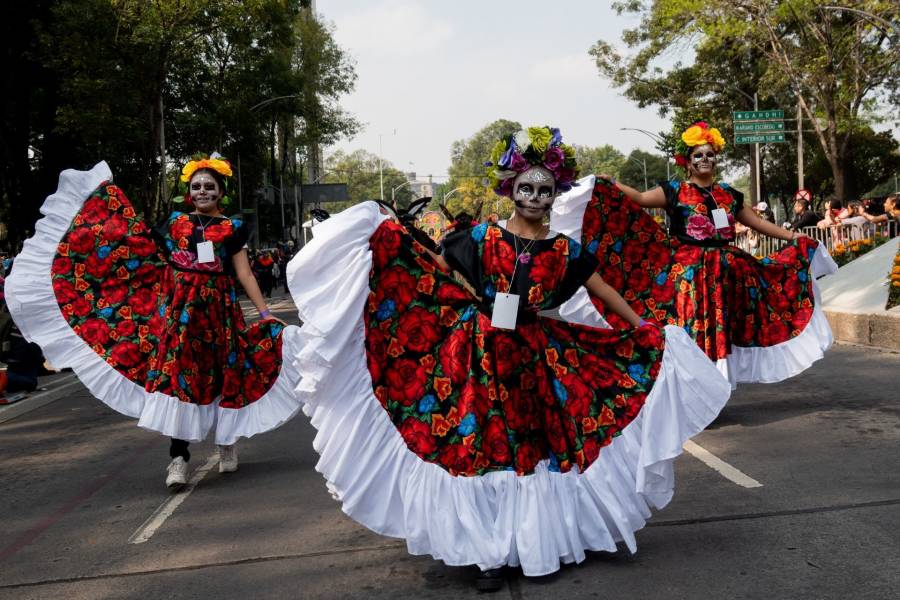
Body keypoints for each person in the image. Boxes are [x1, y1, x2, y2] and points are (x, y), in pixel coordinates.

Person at [286, 126, 731, 591]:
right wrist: (389, 239)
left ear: (554, 193)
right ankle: (488, 555)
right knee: (481, 448)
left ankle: (530, 542)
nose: (534, 197)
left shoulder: (564, 250)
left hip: (534, 357)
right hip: (476, 356)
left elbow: (604, 291)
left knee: (530, 449)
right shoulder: (479, 238)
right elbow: (431, 268)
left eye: (543, 190)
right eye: (526, 189)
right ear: (510, 189)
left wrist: (643, 329)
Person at [5, 157, 302, 490]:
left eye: (209, 187)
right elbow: (143, 251)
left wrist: (264, 313)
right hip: (180, 316)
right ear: (189, 192)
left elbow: (244, 272)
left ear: (221, 193)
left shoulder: (233, 229)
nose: (202, 191)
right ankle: (178, 459)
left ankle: (226, 444)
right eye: (196, 186)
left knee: (224, 375)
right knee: (177, 382)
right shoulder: (174, 223)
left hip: (219, 314)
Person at [550, 121, 837, 387]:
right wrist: (611, 183)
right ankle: (692, 387)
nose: (705, 160)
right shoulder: (675, 190)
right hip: (688, 276)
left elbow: (757, 223)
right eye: (698, 155)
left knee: (721, 329)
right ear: (687, 161)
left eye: (710, 155)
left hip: (726, 274)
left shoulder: (728, 194)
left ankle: (717, 385)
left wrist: (793, 236)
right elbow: (637, 199)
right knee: (693, 330)